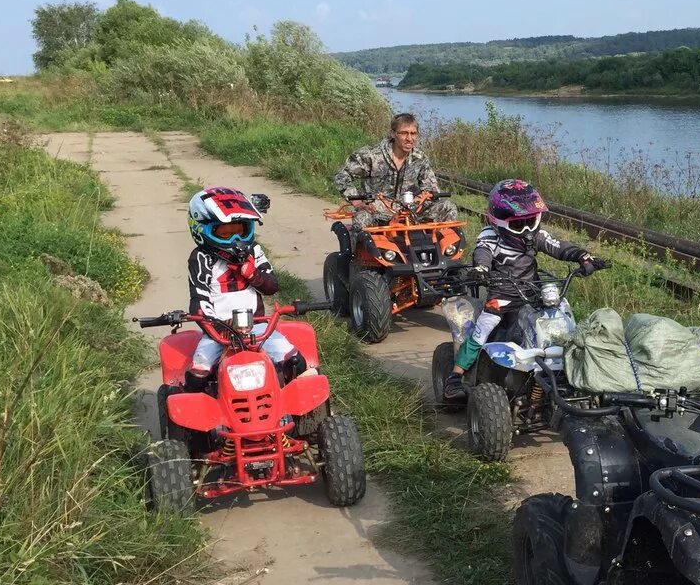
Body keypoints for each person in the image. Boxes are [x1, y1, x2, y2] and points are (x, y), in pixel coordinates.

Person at [442, 179, 607, 400]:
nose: (528, 231)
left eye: (531, 221)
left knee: (565, 321)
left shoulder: (535, 236)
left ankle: (572, 374)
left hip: (532, 293)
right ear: (499, 222)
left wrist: (583, 256)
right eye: (519, 225)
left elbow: (558, 246)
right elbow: (482, 254)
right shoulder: (490, 238)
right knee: (482, 329)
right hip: (502, 296)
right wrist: (481, 269)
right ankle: (455, 377)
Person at [185, 186, 307, 390]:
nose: (236, 240)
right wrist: (217, 328)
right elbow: (199, 300)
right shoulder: (201, 257)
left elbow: (271, 286)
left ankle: (289, 402)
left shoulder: (254, 251)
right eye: (225, 232)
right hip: (218, 331)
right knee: (197, 376)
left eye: (240, 231)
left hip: (257, 326)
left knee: (296, 362)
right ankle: (207, 413)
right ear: (201, 229)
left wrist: (252, 274)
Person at [331, 112, 459, 228]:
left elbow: (431, 189)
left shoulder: (419, 158)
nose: (409, 138)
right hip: (376, 211)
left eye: (413, 133)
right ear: (393, 134)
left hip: (409, 211)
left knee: (448, 207)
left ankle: (441, 251)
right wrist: (357, 201)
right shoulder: (371, 155)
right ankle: (358, 253)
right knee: (361, 219)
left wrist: (423, 197)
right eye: (404, 133)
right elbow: (341, 176)